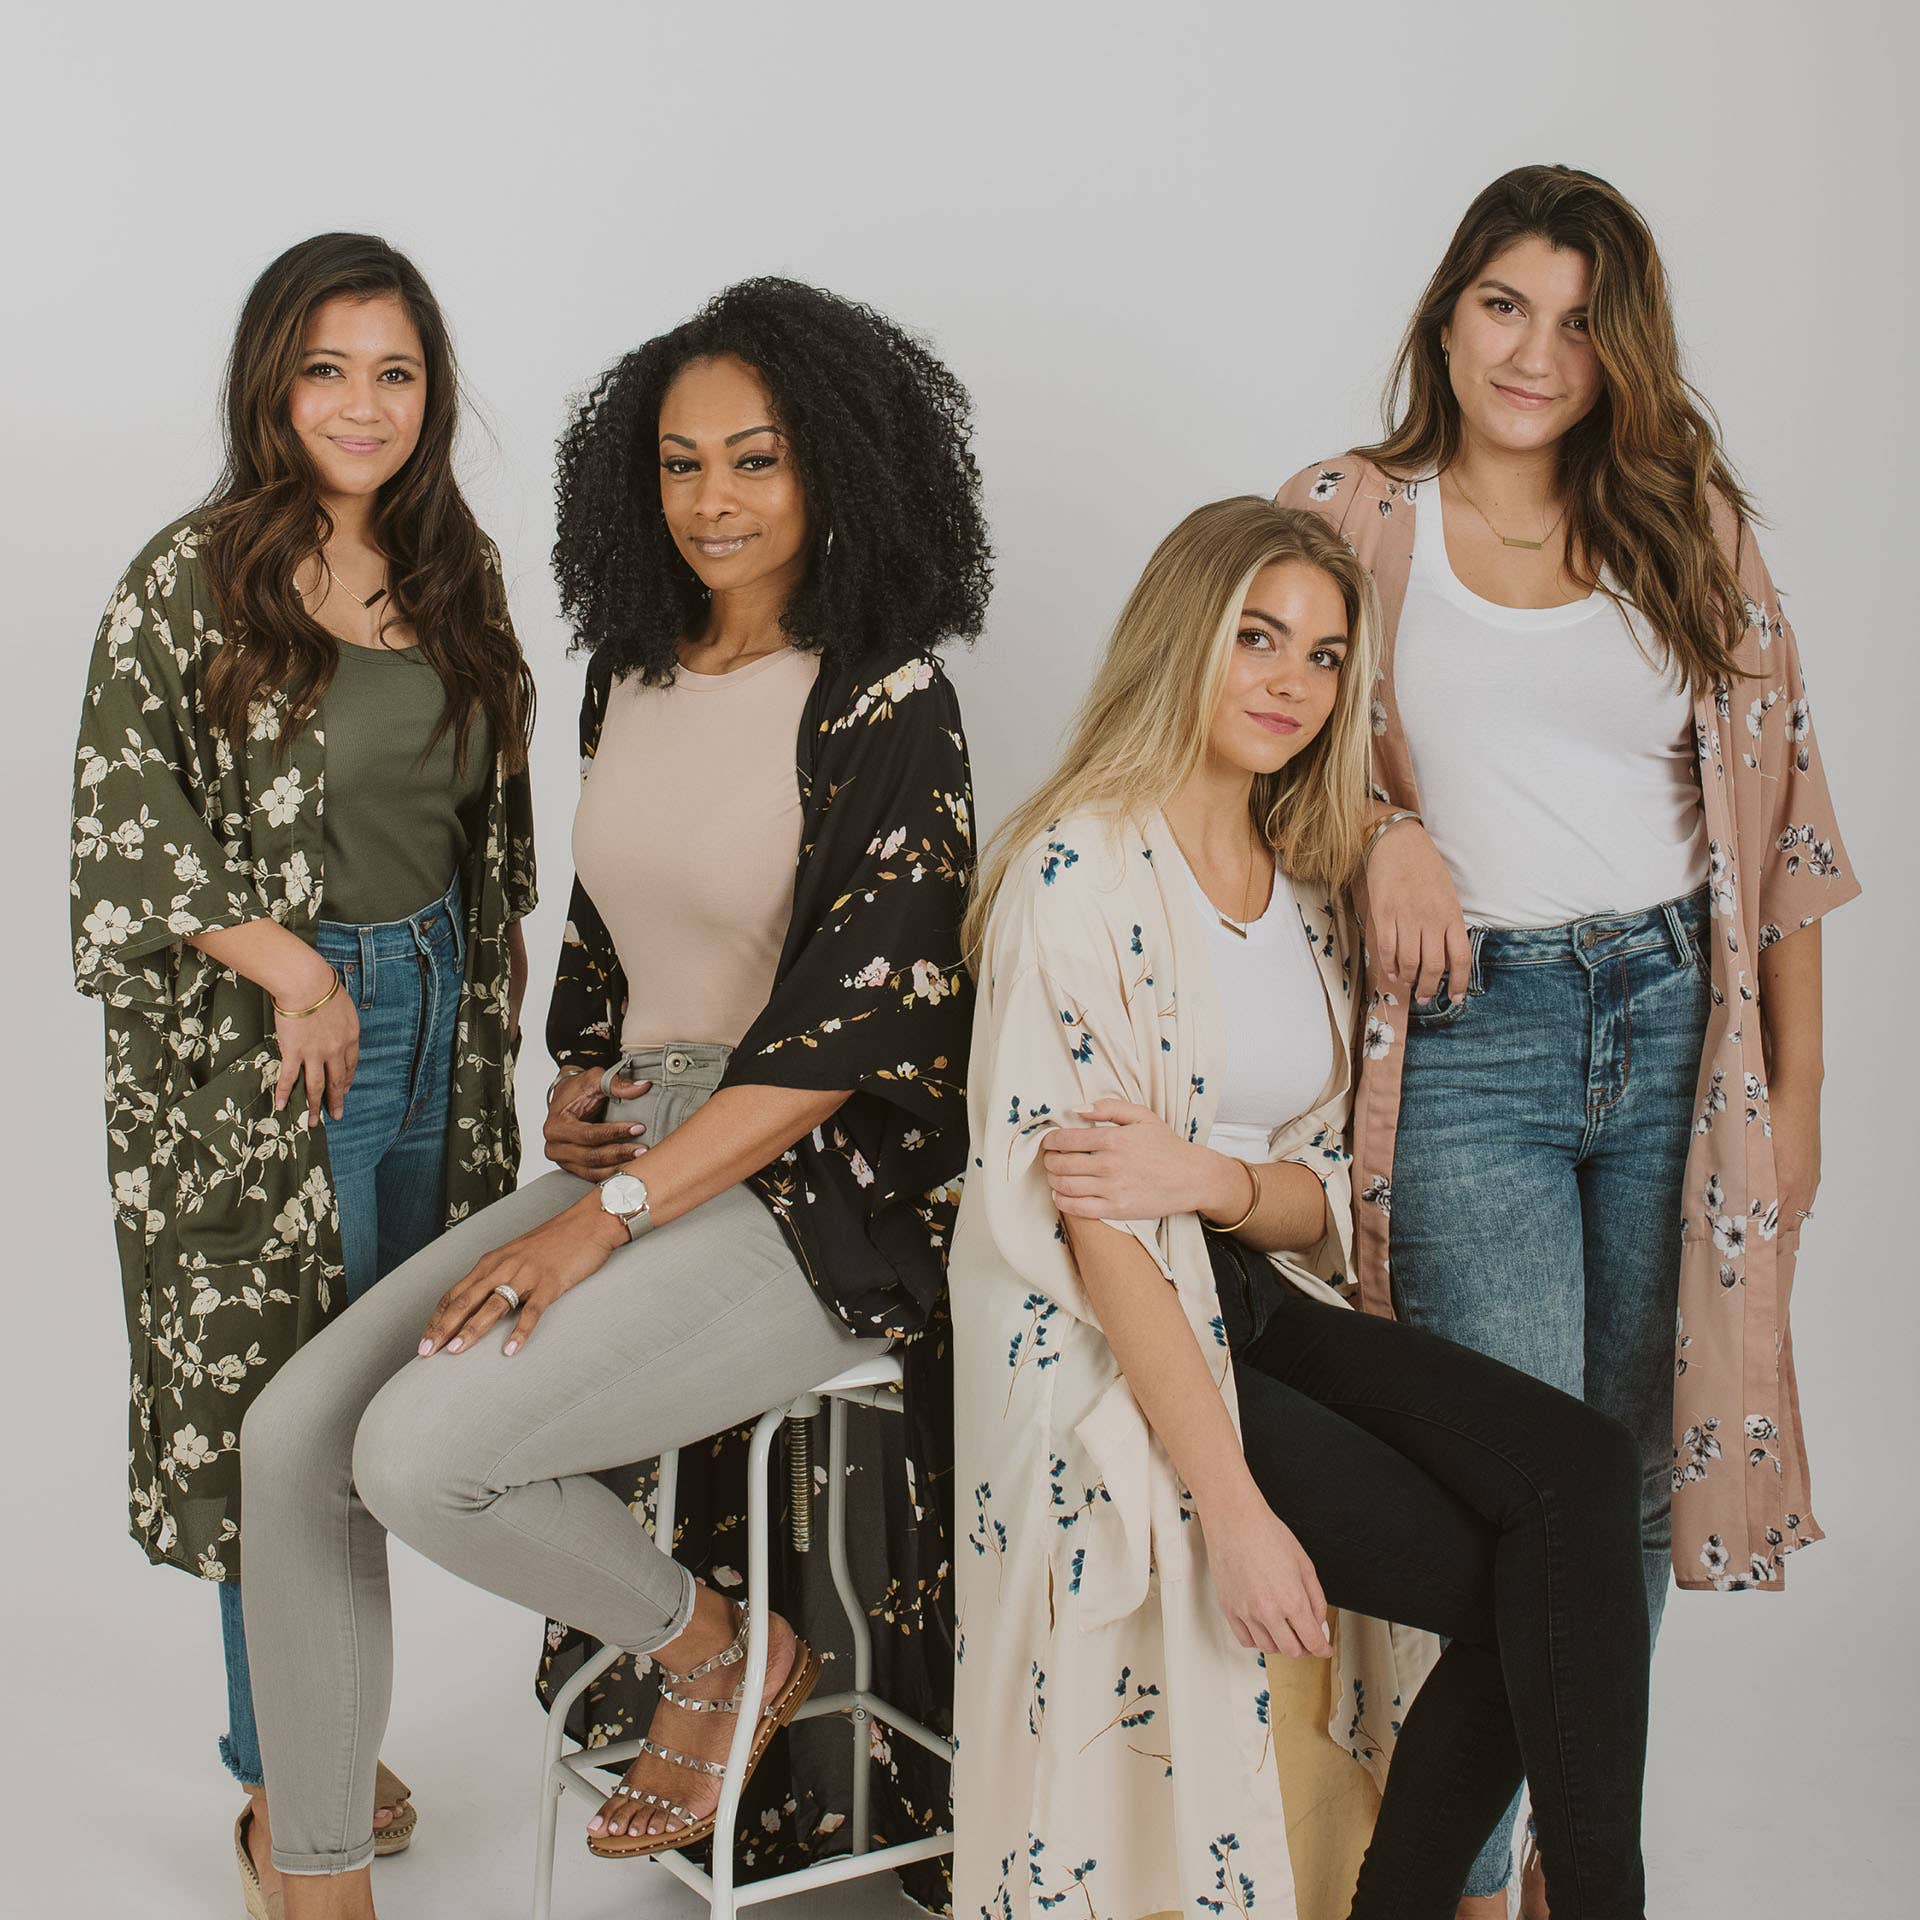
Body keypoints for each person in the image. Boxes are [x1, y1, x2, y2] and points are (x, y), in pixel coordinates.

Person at [237, 277, 989, 1918]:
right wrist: (580, 1089)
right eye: (679, 463)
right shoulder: (631, 673)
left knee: (423, 1457)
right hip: (641, 1146)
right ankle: (319, 1883)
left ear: (839, 465)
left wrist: (603, 1222)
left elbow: (849, 1037)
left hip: (809, 1189)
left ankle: (716, 1652)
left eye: (756, 459)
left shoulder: (887, 697)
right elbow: (607, 940)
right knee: (294, 1437)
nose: (713, 500)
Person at [1276, 162, 1859, 1917]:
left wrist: (1801, 1103)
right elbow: (1254, 745)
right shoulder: (1346, 516)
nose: (1536, 355)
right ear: (1447, 315)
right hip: (1472, 1044)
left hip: (1682, 1028)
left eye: (1582, 323)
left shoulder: (1693, 527)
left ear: (1626, 351)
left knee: (1634, 1489)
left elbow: (1786, 834)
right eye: (1504, 307)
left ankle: (1555, 1871)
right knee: (1524, 1491)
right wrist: (1384, 826)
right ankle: (1473, 1883)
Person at [953, 497, 1654, 1920]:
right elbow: (1098, 1228)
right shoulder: (1077, 872)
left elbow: (1324, 1197)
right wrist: (1233, 1508)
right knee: (1523, 1584)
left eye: (1327, 657)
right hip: (1118, 1326)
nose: (1292, 681)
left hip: (1256, 1292)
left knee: (1580, 1473)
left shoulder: (1308, 889)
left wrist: (1213, 1181)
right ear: (1183, 639)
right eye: (1257, 638)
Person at [67, 231, 537, 1918]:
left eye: (394, 372)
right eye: (328, 368)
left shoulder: (455, 571)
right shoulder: (191, 580)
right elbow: (125, 826)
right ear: (273, 382)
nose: (361, 403)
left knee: (386, 1406)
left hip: (438, 1015)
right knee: (277, 1418)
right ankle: (288, 1787)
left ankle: (316, 1738)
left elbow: (486, 831)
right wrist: (294, 968)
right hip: (273, 1050)